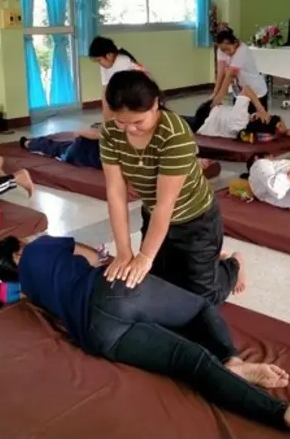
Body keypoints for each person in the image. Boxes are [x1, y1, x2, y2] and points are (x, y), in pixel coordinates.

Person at [0, 235, 290, 435]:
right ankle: (232, 358)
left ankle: (289, 416)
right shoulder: (41, 247)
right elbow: (94, 256)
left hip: (98, 336)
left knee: (190, 362)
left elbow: (13, 292)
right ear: (17, 251)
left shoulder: (28, 290)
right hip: (111, 290)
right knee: (199, 308)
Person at [99, 70, 243, 305]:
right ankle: (210, 261)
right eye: (121, 121)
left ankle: (232, 264)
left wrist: (145, 256)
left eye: (138, 121)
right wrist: (124, 251)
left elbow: (166, 204)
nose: (129, 129)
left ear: (156, 104)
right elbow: (115, 193)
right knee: (157, 285)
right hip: (154, 215)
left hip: (196, 221)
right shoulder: (110, 132)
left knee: (201, 299)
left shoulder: (174, 134)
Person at [212, 29, 270, 122]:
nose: (226, 53)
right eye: (223, 50)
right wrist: (215, 93)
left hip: (256, 92)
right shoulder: (221, 49)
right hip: (239, 92)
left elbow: (229, 76)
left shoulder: (242, 51)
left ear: (235, 43)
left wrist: (219, 97)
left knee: (258, 124)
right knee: (239, 123)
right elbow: (221, 73)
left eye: (228, 49)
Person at [187, 94, 290, 141]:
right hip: (207, 123)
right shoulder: (248, 127)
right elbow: (277, 123)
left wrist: (261, 109)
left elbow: (246, 89)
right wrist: (286, 130)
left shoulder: (240, 118)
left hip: (206, 117)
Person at [89, 36, 144, 120]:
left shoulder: (122, 61)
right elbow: (105, 87)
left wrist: (110, 113)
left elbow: (119, 90)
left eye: (99, 60)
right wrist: (105, 111)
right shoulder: (106, 63)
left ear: (109, 55)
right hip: (125, 90)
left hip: (137, 91)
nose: (99, 64)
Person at [19, 128, 102, 169]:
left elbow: (77, 133)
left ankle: (28, 143)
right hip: (82, 148)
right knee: (58, 144)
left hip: (74, 153)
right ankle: (29, 143)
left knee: (52, 146)